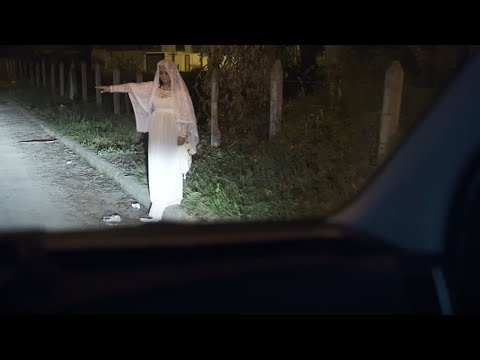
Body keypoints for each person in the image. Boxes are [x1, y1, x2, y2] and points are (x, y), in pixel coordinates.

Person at [96, 59, 199, 222]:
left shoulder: (180, 93)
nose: (164, 76)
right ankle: (158, 201)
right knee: (157, 162)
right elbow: (131, 87)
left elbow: (186, 116)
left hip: (172, 130)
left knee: (170, 163)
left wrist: (182, 134)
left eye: (166, 72)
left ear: (172, 72)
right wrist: (110, 88)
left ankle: (170, 198)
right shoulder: (154, 89)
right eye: (162, 72)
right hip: (157, 130)